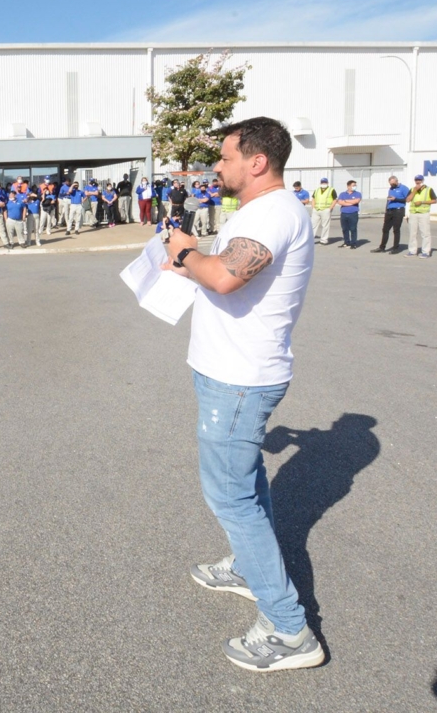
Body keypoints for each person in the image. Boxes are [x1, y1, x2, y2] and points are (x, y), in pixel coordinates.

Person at [164, 116, 323, 672]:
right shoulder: (259, 212)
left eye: (227, 157)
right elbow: (227, 272)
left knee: (230, 496)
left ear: (257, 162)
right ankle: (249, 568)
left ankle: (289, 628)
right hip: (228, 371)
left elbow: (229, 276)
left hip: (239, 378)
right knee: (248, 481)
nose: (218, 166)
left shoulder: (276, 212)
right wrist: (190, 263)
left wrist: (186, 254)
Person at [373, 176, 409, 253]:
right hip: (389, 210)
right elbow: (388, 200)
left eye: (393, 183)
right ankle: (382, 247)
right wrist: (386, 210)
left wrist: (395, 199)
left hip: (398, 210)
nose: (392, 185)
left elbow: (408, 199)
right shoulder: (391, 189)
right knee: (385, 229)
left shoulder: (404, 188)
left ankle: (395, 248)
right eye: (390, 184)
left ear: (397, 181)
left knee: (396, 229)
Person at [405, 174, 433, 257]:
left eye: (419, 180)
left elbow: (434, 200)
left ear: (422, 181)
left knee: (425, 233)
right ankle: (412, 251)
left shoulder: (429, 189)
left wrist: (422, 202)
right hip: (413, 213)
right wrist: (414, 191)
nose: (418, 182)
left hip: (424, 213)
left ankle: (426, 251)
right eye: (416, 180)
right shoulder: (412, 189)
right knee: (412, 233)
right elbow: (407, 200)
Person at [336, 179, 361, 249]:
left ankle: (353, 243)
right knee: (344, 229)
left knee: (353, 229)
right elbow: (340, 202)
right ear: (348, 186)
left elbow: (356, 201)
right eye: (353, 185)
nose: (354, 187)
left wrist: (346, 201)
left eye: (355, 185)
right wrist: (351, 203)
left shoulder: (357, 194)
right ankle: (346, 242)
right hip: (344, 213)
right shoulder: (342, 194)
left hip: (353, 213)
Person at [310, 177, 335, 245]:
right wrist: (313, 207)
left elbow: (335, 199)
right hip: (316, 209)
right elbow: (313, 198)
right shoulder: (317, 190)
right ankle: (310, 240)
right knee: (313, 225)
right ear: (320, 183)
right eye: (322, 182)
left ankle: (324, 240)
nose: (324, 184)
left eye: (325, 182)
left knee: (325, 226)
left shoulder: (331, 190)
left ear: (327, 183)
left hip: (326, 209)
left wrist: (330, 208)